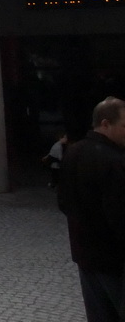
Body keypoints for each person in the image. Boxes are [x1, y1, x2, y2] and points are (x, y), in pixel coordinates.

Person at [57, 96, 125, 322]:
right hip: (113, 260)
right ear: (105, 124)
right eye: (124, 126)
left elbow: (63, 202)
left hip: (85, 255)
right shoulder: (114, 161)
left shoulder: (73, 153)